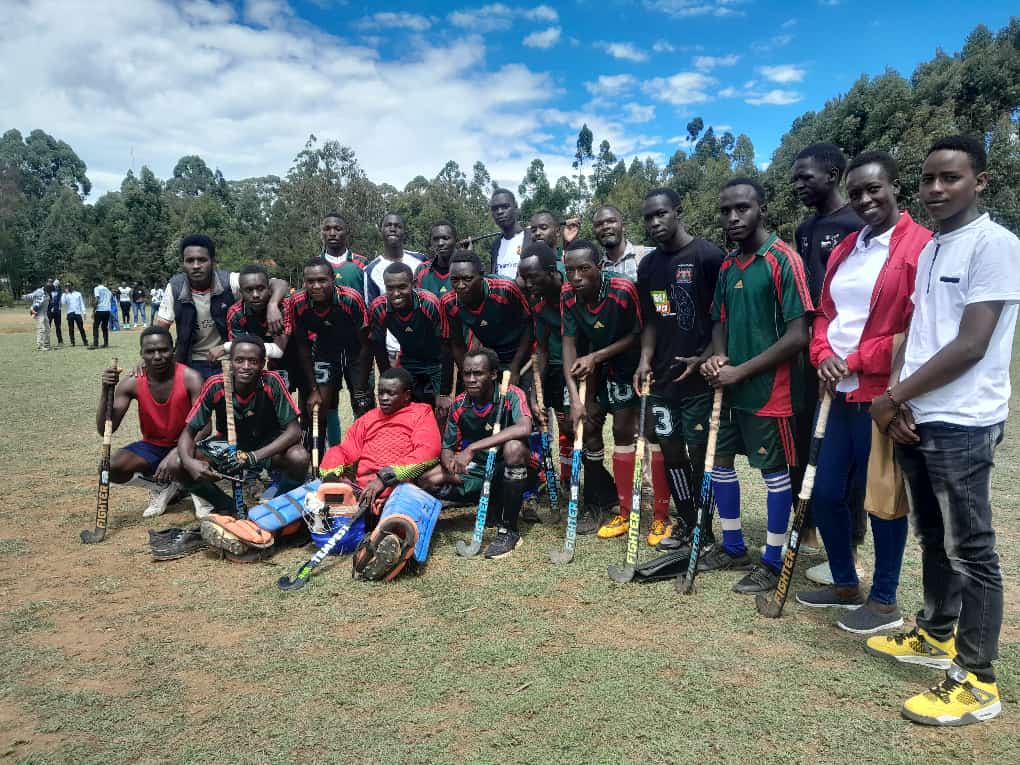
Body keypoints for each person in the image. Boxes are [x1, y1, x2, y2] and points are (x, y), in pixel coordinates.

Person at [867, 136, 1019, 726]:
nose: (936, 189)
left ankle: (978, 680)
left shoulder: (996, 246)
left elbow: (972, 345)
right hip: (919, 415)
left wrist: (892, 397)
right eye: (929, 179)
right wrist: (901, 402)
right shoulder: (931, 248)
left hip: (964, 419)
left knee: (973, 549)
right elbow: (923, 335)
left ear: (980, 181)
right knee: (934, 537)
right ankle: (935, 635)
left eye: (950, 178)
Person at [793, 151, 929, 632]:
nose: (866, 199)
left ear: (895, 187)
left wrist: (856, 360)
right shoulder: (849, 246)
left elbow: (914, 329)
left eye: (875, 189)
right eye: (856, 193)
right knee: (826, 493)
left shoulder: (919, 246)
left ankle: (885, 600)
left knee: (881, 498)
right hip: (835, 391)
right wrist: (823, 353)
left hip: (880, 395)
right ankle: (845, 582)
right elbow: (825, 313)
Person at [698, 177, 812, 594]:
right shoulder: (728, 266)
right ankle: (731, 546)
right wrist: (717, 356)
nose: (733, 217)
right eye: (726, 211)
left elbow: (800, 336)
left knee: (773, 474)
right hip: (729, 388)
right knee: (721, 463)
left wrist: (740, 371)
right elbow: (719, 321)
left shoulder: (784, 260)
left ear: (762, 208)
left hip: (771, 391)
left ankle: (771, 559)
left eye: (742, 208)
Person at [634, 188, 725, 552]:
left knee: (701, 456)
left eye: (661, 214)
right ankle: (689, 525)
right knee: (671, 452)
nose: (655, 223)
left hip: (700, 381)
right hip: (662, 379)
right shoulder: (649, 266)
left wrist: (703, 359)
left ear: (678, 211)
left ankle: (706, 529)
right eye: (648, 217)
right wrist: (644, 360)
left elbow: (723, 319)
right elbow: (653, 320)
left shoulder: (708, 257)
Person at [792, 142, 865, 570]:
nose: (799, 184)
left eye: (806, 177)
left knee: (848, 456)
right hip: (810, 351)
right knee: (808, 441)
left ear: (833, 175)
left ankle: (852, 549)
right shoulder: (804, 228)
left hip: (847, 359)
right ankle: (809, 531)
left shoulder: (858, 222)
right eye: (796, 178)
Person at [560, 239, 647, 540]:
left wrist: (597, 356)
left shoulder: (623, 289)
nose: (575, 277)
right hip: (592, 369)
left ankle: (628, 504)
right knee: (586, 426)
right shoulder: (568, 295)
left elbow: (637, 336)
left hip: (626, 367)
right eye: (570, 270)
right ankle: (597, 499)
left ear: (599, 267)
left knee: (623, 432)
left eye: (583, 269)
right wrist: (575, 398)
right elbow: (569, 345)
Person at [418, 347, 534, 559]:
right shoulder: (459, 405)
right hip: (480, 470)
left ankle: (508, 530)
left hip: (514, 468)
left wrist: (472, 448)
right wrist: (450, 462)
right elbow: (447, 447)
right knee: (428, 478)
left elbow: (524, 427)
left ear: (492, 374)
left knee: (513, 447)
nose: (471, 379)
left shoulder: (511, 394)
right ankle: (487, 504)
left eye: (478, 373)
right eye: (466, 373)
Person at [178, 335, 308, 515]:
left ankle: (278, 508)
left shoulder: (272, 381)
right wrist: (189, 462)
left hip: (266, 443)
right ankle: (226, 506)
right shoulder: (216, 384)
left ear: (263, 363)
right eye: (239, 360)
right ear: (231, 362)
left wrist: (253, 457)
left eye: (253, 361)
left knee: (299, 457)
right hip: (226, 444)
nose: (246, 367)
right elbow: (188, 432)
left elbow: (294, 431)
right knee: (177, 463)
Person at [96, 327, 205, 517]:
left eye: (163, 350)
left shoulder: (190, 378)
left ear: (173, 350)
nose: (157, 356)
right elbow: (105, 427)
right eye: (150, 351)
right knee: (110, 467)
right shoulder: (132, 382)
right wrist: (106, 391)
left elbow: (205, 427)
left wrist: (176, 452)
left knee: (192, 457)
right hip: (153, 446)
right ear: (141, 354)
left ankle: (199, 492)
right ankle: (161, 486)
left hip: (189, 445)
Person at [157, 234, 289, 379]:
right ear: (183, 263)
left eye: (202, 260)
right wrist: (145, 360)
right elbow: (160, 331)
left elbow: (277, 283)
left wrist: (272, 304)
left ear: (213, 261)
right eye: (190, 261)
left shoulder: (229, 281)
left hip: (228, 359)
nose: (196, 266)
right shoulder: (175, 288)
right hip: (190, 361)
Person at [319, 366, 442, 515]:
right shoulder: (367, 419)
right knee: (316, 497)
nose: (383, 398)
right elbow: (345, 450)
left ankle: (381, 524)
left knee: (398, 518)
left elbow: (428, 451)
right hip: (361, 491)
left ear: (406, 395)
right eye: (381, 392)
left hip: (400, 489)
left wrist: (384, 478)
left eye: (390, 394)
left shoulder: (421, 413)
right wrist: (331, 475)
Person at [291, 257, 373, 454]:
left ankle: (364, 458)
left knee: (363, 406)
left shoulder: (351, 299)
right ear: (304, 282)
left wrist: (361, 384)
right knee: (317, 406)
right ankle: (320, 462)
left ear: (333, 280)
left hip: (355, 353)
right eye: (310, 281)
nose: (316, 286)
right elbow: (302, 346)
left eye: (322, 280)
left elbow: (365, 343)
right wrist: (313, 388)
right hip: (325, 351)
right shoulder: (298, 302)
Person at [518, 242, 574, 489]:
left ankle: (586, 485)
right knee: (555, 421)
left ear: (552, 271)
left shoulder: (574, 288)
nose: (528, 284)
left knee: (575, 425)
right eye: (524, 278)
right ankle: (561, 479)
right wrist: (533, 393)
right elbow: (540, 348)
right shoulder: (538, 300)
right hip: (553, 364)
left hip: (580, 365)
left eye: (533, 278)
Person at [369, 262, 452, 409]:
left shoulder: (429, 304)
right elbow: (378, 348)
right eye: (390, 288)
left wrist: (444, 393)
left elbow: (446, 346)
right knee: (401, 406)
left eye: (402, 287)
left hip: (436, 362)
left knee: (442, 409)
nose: (396, 293)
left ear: (413, 284)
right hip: (408, 360)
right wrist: (389, 378)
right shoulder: (378, 308)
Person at [442, 251, 532, 383]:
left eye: (467, 279)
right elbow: (457, 344)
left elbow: (528, 325)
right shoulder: (449, 303)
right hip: (490, 356)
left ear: (481, 276)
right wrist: (467, 374)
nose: (460, 286)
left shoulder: (505, 289)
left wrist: (515, 367)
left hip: (521, 352)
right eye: (454, 280)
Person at [216, 264, 296, 386]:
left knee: (307, 397)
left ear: (269, 289)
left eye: (260, 289)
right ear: (241, 292)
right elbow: (240, 351)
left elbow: (278, 350)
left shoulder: (283, 306)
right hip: (269, 359)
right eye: (249, 290)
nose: (255, 295)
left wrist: (225, 347)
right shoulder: (236, 313)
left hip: (298, 352)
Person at [593, 205, 651, 281]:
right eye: (599, 224)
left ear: (623, 226)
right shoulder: (597, 270)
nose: (605, 227)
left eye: (611, 221)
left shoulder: (649, 256)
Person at [488, 188, 531, 280]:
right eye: (495, 209)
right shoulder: (495, 245)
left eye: (505, 207)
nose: (500, 212)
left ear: (515, 208)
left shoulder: (532, 237)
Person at [321, 212, 368, 294]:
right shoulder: (315, 264)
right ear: (322, 233)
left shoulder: (362, 263)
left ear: (346, 232)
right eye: (327, 229)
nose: (332, 233)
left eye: (338, 229)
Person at [415, 222, 458, 298]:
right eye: (435, 239)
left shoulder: (466, 270)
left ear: (456, 240)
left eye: (446, 238)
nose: (440, 243)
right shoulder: (422, 270)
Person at [22, 282, 51, 351]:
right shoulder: (39, 292)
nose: (49, 292)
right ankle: (40, 346)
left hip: (44, 313)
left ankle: (47, 345)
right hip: (38, 313)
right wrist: (25, 296)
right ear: (45, 288)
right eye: (48, 290)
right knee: (41, 329)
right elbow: (32, 296)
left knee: (47, 329)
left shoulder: (47, 293)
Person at [62, 282, 88, 346]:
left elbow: (81, 303)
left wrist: (84, 312)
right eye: (66, 286)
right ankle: (72, 342)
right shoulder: (65, 295)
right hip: (70, 313)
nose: (68, 287)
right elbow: (63, 303)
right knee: (71, 329)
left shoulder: (78, 294)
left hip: (78, 313)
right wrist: (65, 294)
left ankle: (85, 341)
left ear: (72, 286)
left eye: (69, 286)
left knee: (81, 328)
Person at [92, 281, 113, 348]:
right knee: (104, 327)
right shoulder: (108, 290)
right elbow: (110, 299)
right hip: (107, 310)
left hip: (100, 310)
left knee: (95, 327)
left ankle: (95, 344)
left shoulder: (96, 288)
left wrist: (93, 310)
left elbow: (97, 299)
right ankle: (106, 343)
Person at [46, 278, 63, 346]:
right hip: (49, 311)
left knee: (58, 327)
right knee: (48, 326)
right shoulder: (48, 290)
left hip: (57, 311)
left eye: (57, 285)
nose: (56, 286)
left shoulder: (59, 291)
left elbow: (60, 300)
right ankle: (47, 341)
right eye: (55, 284)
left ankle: (60, 341)